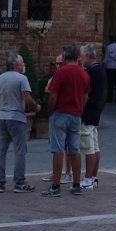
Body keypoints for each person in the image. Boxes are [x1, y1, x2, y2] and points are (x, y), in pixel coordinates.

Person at [43, 44, 90, 195]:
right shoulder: (84, 74)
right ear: (77, 57)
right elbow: (85, 95)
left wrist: (50, 111)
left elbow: (53, 95)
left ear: (64, 57)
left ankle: (55, 186)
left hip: (61, 113)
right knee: (74, 150)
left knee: (58, 150)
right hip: (76, 115)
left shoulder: (61, 72)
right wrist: (80, 108)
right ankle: (76, 184)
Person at [0, 51, 37, 191]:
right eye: (22, 63)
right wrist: (36, 106)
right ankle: (19, 181)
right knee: (20, 151)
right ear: (17, 65)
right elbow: (26, 97)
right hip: (17, 117)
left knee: (1, 150)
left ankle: (0, 183)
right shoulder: (22, 79)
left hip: (2, 117)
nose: (23, 65)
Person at [79, 41, 107, 189]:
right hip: (96, 111)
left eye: (82, 57)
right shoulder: (100, 70)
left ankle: (88, 178)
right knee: (95, 146)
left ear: (88, 56)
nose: (81, 60)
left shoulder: (90, 72)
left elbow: (85, 93)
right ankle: (93, 177)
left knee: (88, 147)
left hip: (89, 112)